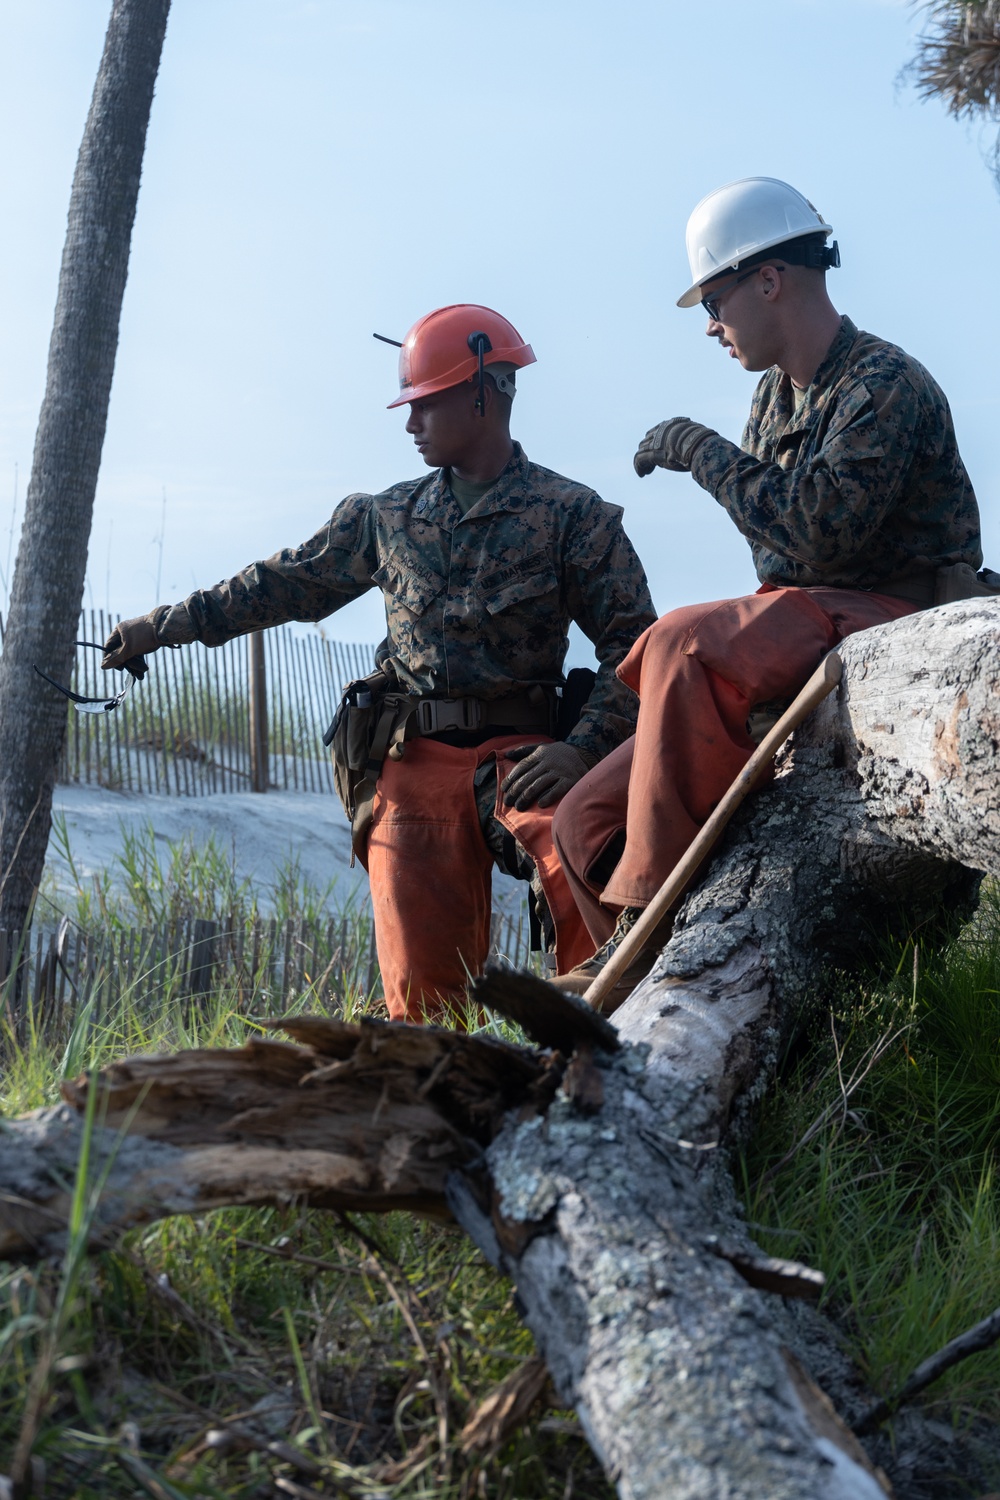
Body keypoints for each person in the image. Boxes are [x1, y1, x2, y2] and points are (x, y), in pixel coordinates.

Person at [102, 303, 655, 1022]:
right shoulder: (384, 519)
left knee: (584, 865)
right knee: (423, 1006)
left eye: (425, 403)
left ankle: (596, 1053)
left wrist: (582, 752)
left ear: (484, 394)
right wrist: (161, 627)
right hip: (413, 763)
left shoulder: (573, 517)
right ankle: (434, 1105)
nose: (409, 424)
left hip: (524, 758)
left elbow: (636, 649)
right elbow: (281, 585)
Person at [553, 177, 984, 1006]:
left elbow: (819, 535)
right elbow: (780, 554)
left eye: (713, 300)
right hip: (815, 613)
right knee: (583, 820)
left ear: (769, 279)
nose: (711, 325)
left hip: (901, 621)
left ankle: (646, 950)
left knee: (684, 638)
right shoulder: (775, 396)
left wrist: (700, 452)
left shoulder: (882, 383)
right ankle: (641, 962)